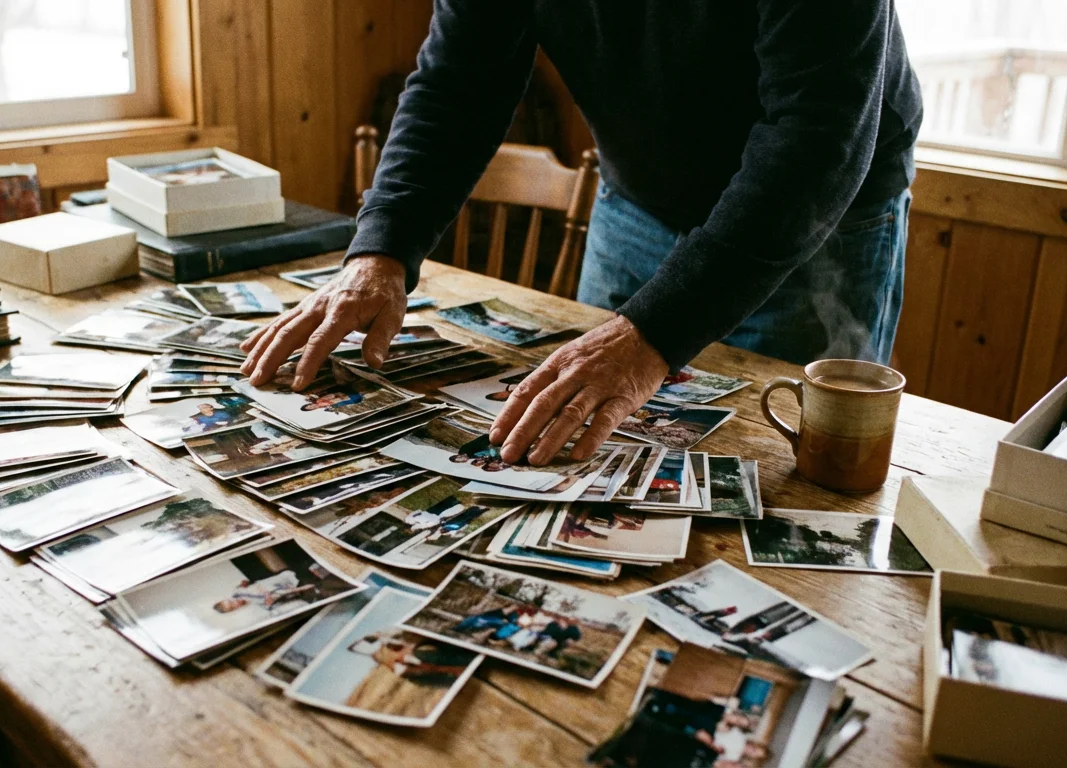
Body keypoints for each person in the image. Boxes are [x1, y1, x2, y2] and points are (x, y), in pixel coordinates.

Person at [238, 1, 921, 467]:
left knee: (781, 479)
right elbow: (457, 82)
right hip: (636, 200)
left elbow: (816, 139)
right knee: (584, 449)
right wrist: (381, 247)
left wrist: (650, 335)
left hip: (818, 223)